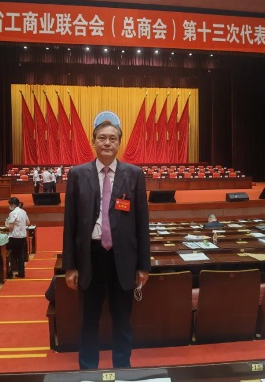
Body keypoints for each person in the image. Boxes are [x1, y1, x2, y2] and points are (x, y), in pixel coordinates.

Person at [62, 120, 150, 370]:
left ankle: (122, 371)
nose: (107, 143)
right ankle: (88, 371)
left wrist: (143, 265)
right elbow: (70, 223)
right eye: (102, 138)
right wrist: (70, 266)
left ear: (119, 143)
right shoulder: (78, 174)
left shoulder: (134, 175)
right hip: (90, 257)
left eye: (113, 138)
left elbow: (142, 223)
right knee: (88, 320)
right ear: (93, 142)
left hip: (123, 259)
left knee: (122, 320)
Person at [5, 197, 30, 278]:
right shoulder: (23, 211)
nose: (9, 206)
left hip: (14, 237)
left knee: (9, 254)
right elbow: (28, 223)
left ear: (13, 205)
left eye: (9, 204)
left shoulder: (12, 213)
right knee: (20, 256)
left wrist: (6, 225)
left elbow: (11, 227)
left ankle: (10, 273)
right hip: (22, 237)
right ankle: (21, 273)